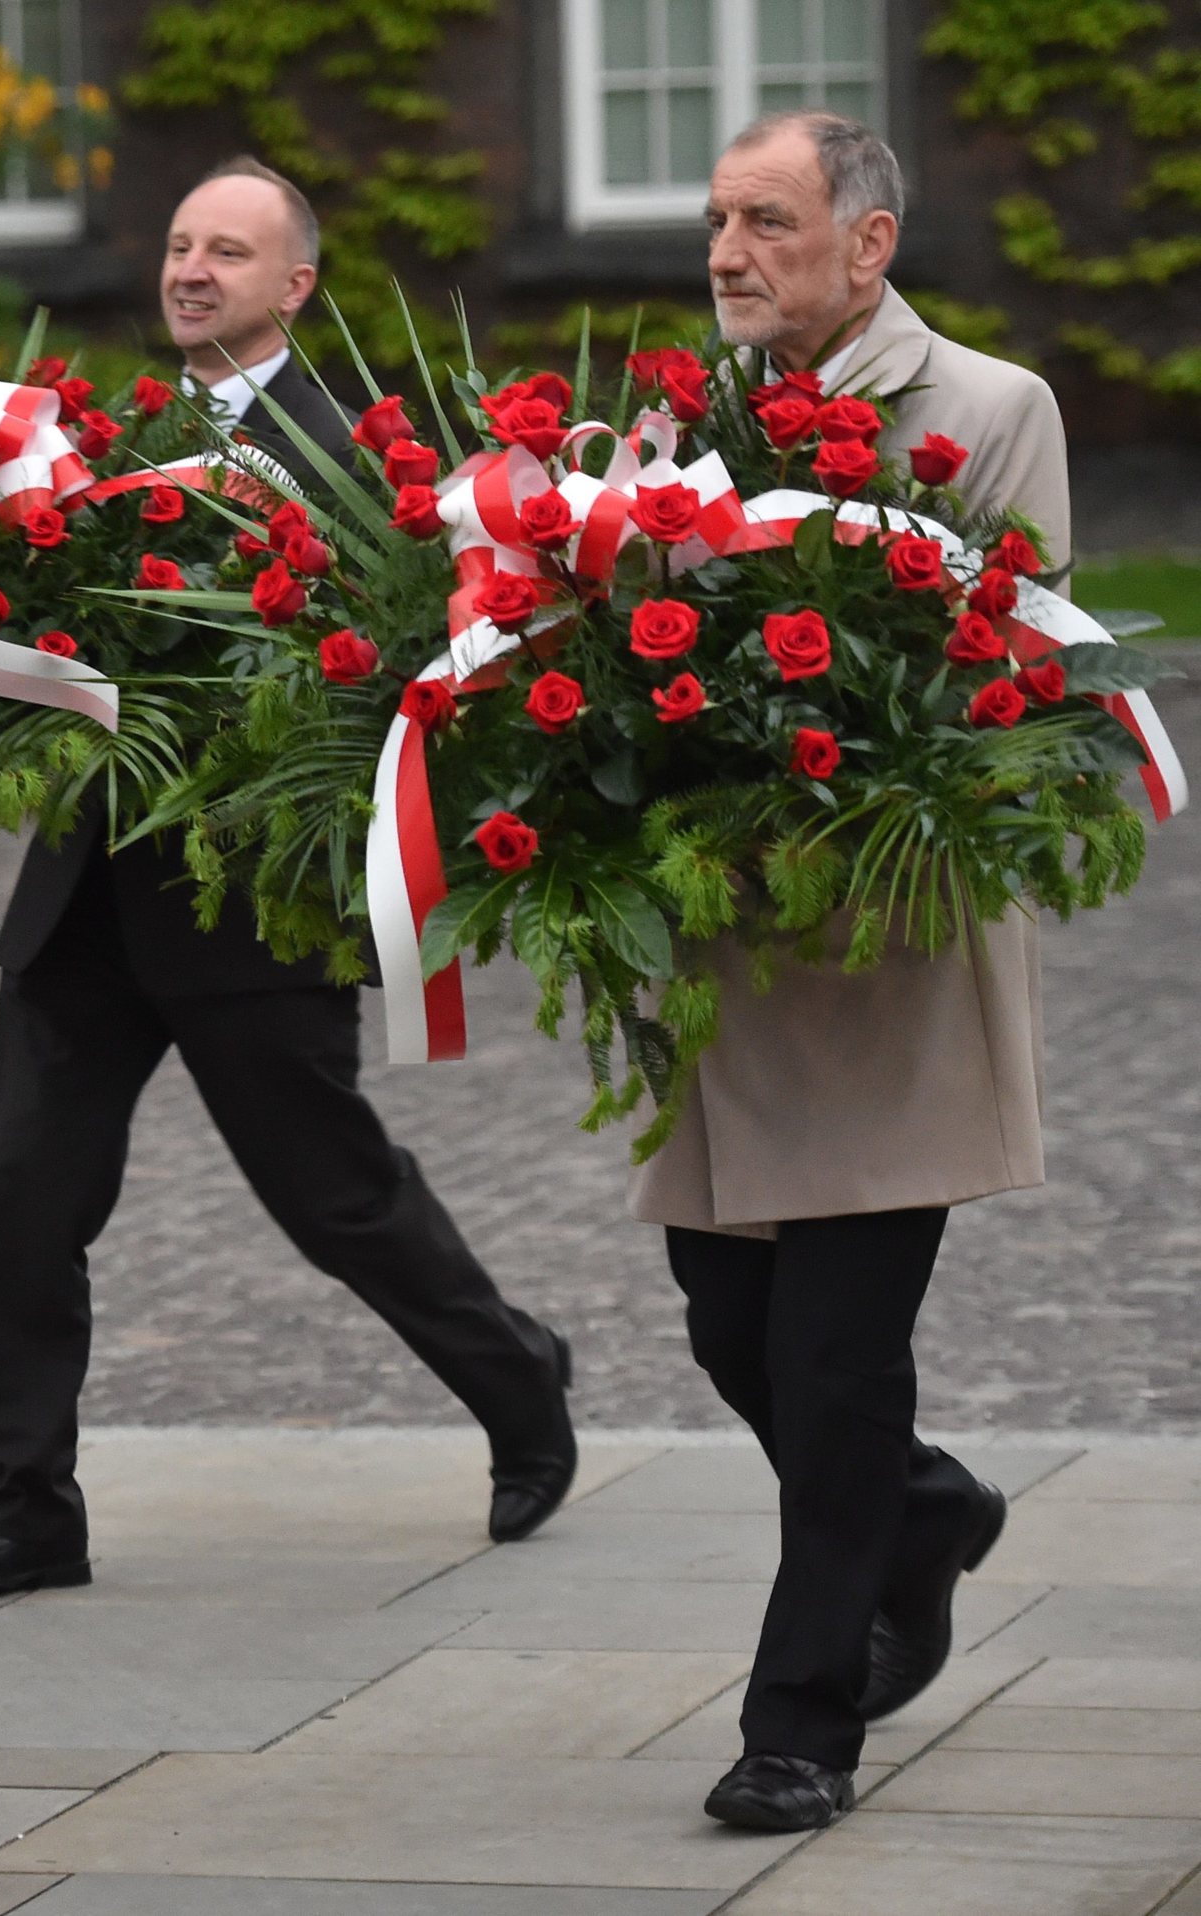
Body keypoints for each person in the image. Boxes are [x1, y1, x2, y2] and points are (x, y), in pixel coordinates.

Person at [0, 155, 576, 1601]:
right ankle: (28, 1504)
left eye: (229, 251)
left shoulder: (346, 458)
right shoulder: (97, 438)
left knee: (331, 1199)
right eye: (180, 241)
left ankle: (520, 1383)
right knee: (29, 1193)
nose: (191, 268)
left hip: (246, 901)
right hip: (85, 891)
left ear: (294, 287)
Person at [643, 111, 1051, 1835]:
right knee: (729, 1323)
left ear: (867, 243)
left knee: (831, 1357)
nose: (729, 252)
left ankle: (798, 1721)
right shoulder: (677, 419)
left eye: (768, 219)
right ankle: (930, 1511)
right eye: (720, 222)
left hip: (887, 959)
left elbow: (1024, 684)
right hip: (727, 964)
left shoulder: (987, 409)